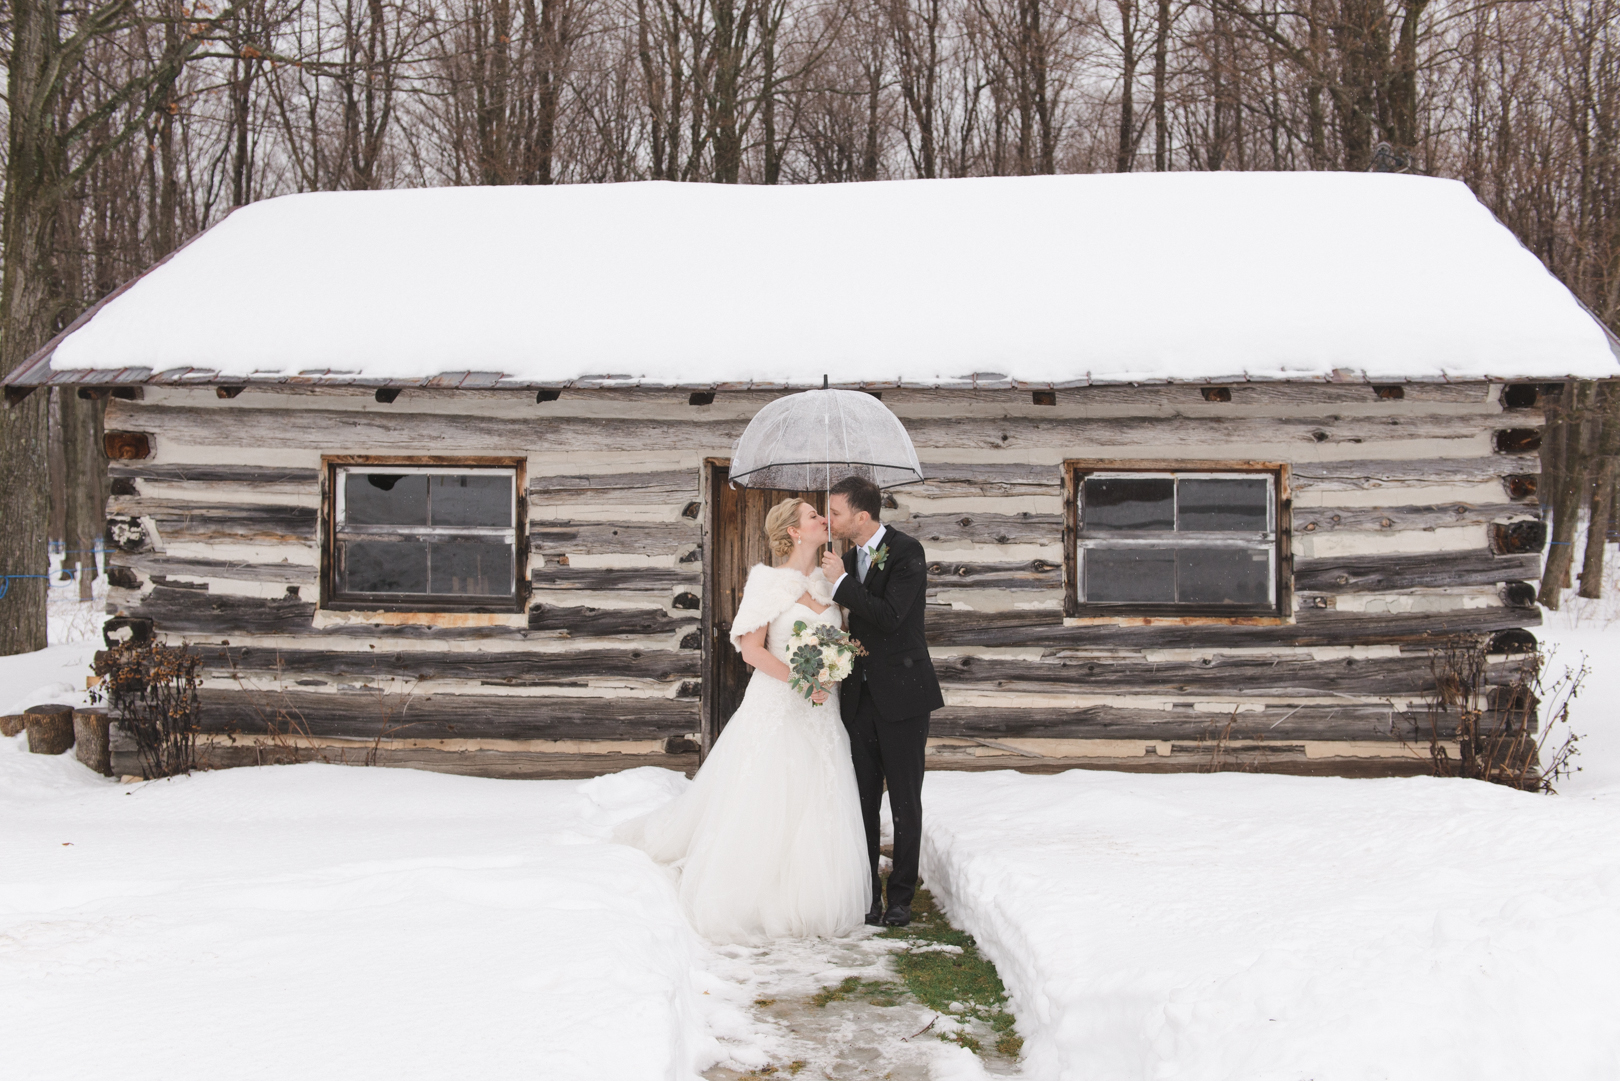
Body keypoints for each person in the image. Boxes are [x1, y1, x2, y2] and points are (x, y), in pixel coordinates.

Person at [614, 498, 870, 944]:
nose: (823, 520)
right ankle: (751, 890)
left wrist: (833, 665)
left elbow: (841, 639)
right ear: (793, 531)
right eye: (813, 516)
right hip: (780, 701)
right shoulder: (767, 583)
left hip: (823, 709)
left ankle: (813, 896)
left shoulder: (830, 582)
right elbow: (752, 651)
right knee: (769, 792)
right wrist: (801, 681)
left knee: (820, 793)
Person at [820, 475, 944, 928]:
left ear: (862, 515)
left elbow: (891, 618)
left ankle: (901, 899)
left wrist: (843, 586)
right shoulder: (848, 559)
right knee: (864, 802)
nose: (830, 520)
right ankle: (868, 894)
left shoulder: (908, 552)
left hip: (905, 696)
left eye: (835, 512)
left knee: (905, 802)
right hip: (859, 698)